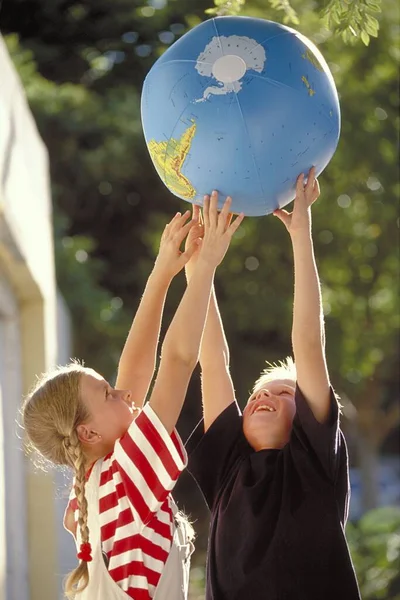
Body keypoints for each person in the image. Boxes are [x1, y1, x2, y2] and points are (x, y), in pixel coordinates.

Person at [22, 196, 244, 600]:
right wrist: (206, 264)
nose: (122, 392)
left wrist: (163, 272)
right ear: (86, 431)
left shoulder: (93, 481)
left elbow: (135, 374)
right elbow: (176, 361)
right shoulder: (123, 476)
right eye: (107, 394)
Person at [184, 170, 361, 600]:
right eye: (259, 394)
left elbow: (308, 345)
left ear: (308, 418)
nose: (264, 395)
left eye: (285, 393)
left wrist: (302, 233)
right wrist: (198, 267)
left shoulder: (314, 463)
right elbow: (214, 360)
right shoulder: (230, 467)